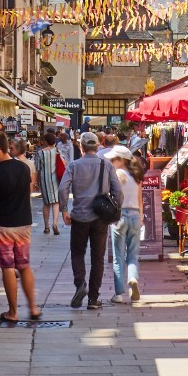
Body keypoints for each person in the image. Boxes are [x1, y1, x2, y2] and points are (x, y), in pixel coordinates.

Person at [0, 130, 42, 323]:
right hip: (23, 223)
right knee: (24, 266)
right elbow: (27, 192)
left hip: (2, 226)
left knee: (7, 268)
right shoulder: (23, 168)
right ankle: (33, 308)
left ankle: (12, 312)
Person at [59, 131, 121, 311]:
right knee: (98, 258)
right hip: (100, 218)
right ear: (98, 146)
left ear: (81, 147)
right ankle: (93, 298)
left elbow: (63, 188)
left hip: (79, 216)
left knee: (78, 253)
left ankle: (80, 284)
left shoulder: (74, 165)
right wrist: (114, 209)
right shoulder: (106, 165)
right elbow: (118, 192)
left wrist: (64, 209)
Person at [102, 145, 144, 304]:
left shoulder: (118, 175)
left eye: (114, 159)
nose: (111, 162)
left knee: (118, 256)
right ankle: (133, 278)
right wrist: (140, 219)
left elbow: (109, 195)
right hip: (134, 216)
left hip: (120, 216)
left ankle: (119, 294)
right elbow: (140, 200)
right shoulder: (137, 176)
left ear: (122, 160)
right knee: (133, 254)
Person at [31, 133, 61, 237]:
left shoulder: (40, 153)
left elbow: (37, 168)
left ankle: (47, 227)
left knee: (46, 203)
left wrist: (36, 182)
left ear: (46, 141)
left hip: (44, 179)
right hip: (55, 178)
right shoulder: (57, 151)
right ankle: (55, 223)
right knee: (56, 202)